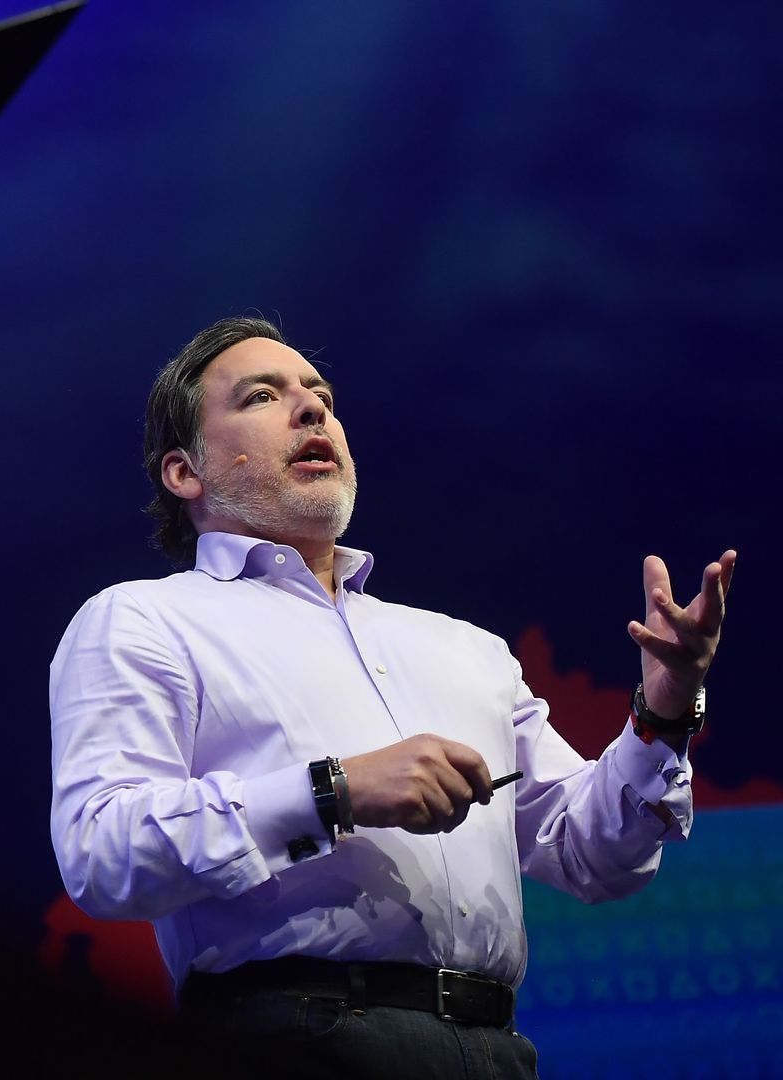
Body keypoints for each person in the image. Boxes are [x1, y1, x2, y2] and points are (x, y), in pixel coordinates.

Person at [47, 316, 735, 1077]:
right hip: (288, 1041)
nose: (313, 411)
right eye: (263, 396)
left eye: (321, 395)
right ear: (185, 472)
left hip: (498, 1051)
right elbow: (103, 852)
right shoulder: (145, 620)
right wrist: (334, 791)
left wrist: (665, 711)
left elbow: (593, 855)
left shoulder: (464, 648)